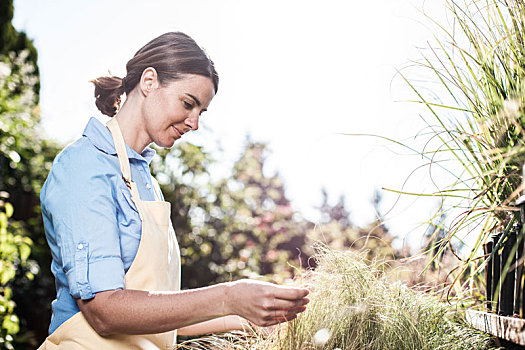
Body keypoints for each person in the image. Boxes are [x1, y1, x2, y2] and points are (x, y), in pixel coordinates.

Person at [38, 32, 309, 349]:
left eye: (201, 112)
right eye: (188, 103)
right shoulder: (84, 166)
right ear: (149, 81)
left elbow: (159, 317)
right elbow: (104, 311)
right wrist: (228, 296)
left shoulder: (146, 183)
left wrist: (254, 315)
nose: (194, 123)